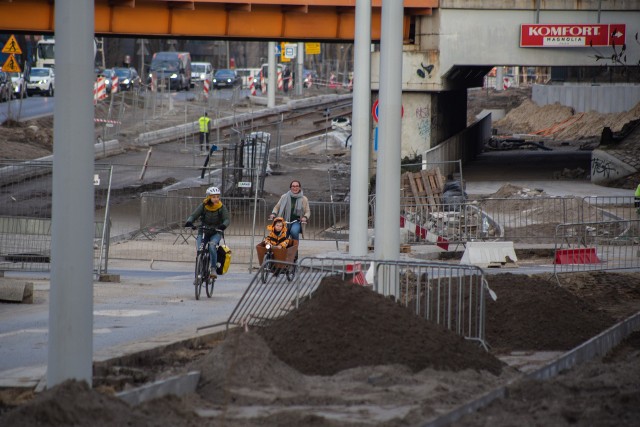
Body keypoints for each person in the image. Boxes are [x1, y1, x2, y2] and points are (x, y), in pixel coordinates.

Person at [184, 186, 230, 279]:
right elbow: (194, 215)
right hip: (203, 231)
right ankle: (199, 271)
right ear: (208, 197)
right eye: (213, 197)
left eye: (218, 196)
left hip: (216, 232)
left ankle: (213, 268)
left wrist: (223, 226)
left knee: (212, 246)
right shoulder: (203, 206)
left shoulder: (221, 207)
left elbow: (227, 219)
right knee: (199, 249)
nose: (216, 199)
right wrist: (189, 222)